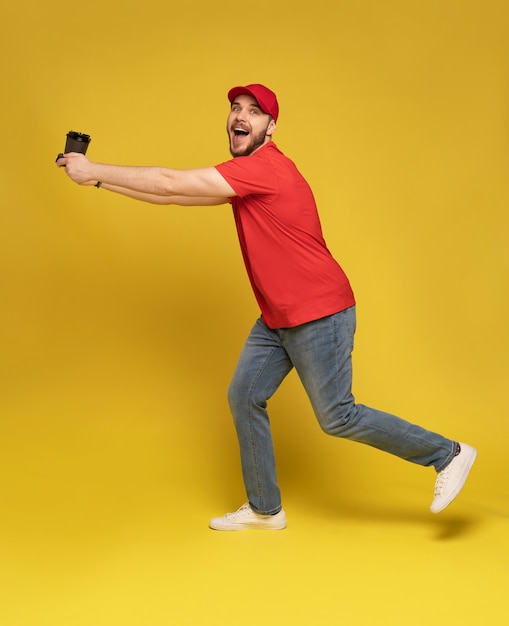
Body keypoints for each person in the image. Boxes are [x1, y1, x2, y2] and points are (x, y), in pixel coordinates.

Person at [57, 83, 477, 531]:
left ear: (270, 128)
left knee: (338, 416)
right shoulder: (245, 178)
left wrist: (93, 167)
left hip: (318, 310)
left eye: (254, 112)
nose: (241, 116)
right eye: (236, 108)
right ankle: (264, 509)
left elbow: (169, 180)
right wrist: (97, 179)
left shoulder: (267, 169)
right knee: (244, 395)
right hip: (279, 316)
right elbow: (172, 195)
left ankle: (446, 454)